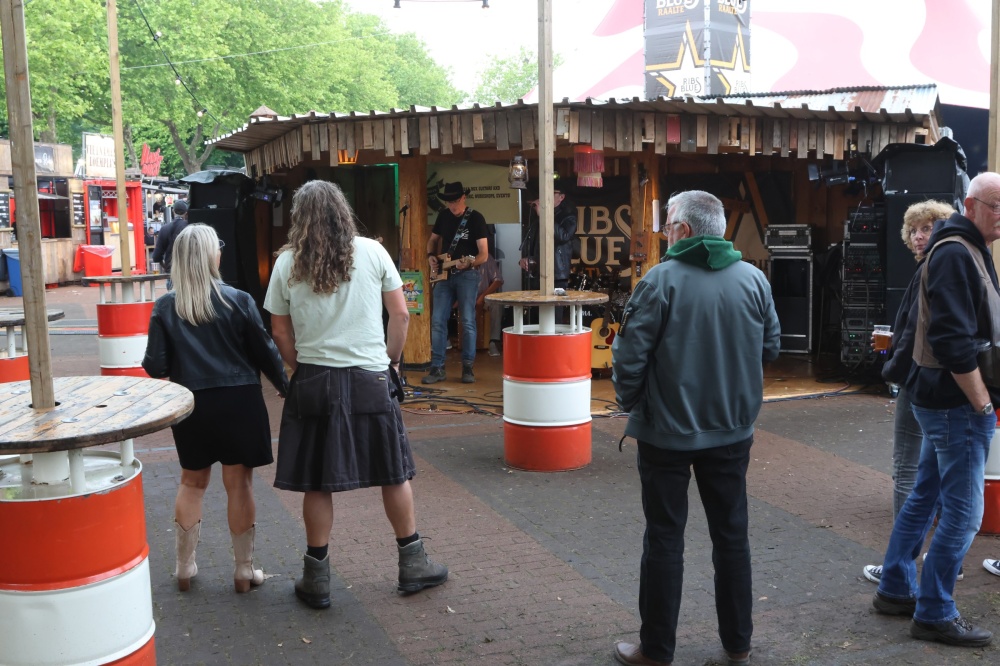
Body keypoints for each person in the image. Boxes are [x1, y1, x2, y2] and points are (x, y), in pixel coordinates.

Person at [611, 190, 780, 666]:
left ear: (683, 231)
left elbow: (628, 359)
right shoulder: (754, 279)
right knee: (732, 537)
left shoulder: (659, 281)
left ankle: (656, 651)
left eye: (667, 226)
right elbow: (771, 347)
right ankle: (738, 646)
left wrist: (632, 404)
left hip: (665, 433)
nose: (664, 233)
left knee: (664, 538)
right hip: (733, 431)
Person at [264, 180, 448, 610]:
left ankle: (317, 578)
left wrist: (299, 367)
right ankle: (413, 564)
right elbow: (400, 315)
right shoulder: (372, 251)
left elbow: (279, 331)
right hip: (370, 377)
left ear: (299, 217)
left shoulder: (287, 262)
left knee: (316, 480)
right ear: (342, 210)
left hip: (314, 380)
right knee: (393, 473)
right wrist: (391, 362)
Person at [872, 172, 1000, 648]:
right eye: (996, 206)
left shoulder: (963, 249)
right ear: (970, 205)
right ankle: (934, 612)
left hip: (943, 402)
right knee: (964, 515)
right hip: (956, 405)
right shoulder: (955, 253)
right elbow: (950, 340)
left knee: (924, 496)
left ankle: (895, 587)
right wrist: (982, 403)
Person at [142, 224, 289, 594]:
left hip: (191, 404)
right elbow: (265, 352)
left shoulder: (165, 305)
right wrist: (285, 386)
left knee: (191, 482)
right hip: (239, 401)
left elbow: (155, 366)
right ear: (212, 256)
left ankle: (184, 567)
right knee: (239, 484)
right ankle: (243, 570)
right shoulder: (238, 300)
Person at [863, 200, 956, 584]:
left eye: (927, 228)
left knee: (907, 470)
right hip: (943, 385)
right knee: (939, 472)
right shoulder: (952, 265)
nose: (919, 236)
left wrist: (892, 368)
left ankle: (899, 567)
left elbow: (920, 332)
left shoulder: (931, 269)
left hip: (920, 382)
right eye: (914, 230)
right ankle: (947, 559)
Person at [423, 181, 489, 385]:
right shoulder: (443, 216)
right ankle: (437, 367)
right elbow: (432, 240)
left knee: (467, 320)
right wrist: (430, 255)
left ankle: (468, 367)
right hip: (444, 274)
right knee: (437, 320)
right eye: (449, 202)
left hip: (467, 275)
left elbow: (484, 254)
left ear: (463, 198)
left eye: (455, 201)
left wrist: (470, 263)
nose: (452, 205)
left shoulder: (476, 218)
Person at [519, 175, 577, 291]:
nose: (547, 196)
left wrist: (544, 216)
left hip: (557, 274)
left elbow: (564, 236)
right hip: (537, 274)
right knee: (536, 302)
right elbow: (531, 241)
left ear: (561, 197)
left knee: (555, 303)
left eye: (552, 192)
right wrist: (524, 259)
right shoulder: (537, 218)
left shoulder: (568, 216)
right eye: (545, 192)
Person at [152, 199, 190, 277]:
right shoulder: (190, 228)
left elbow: (156, 256)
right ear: (186, 213)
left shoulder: (164, 228)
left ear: (173, 211)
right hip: (188, 271)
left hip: (172, 272)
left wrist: (166, 267)